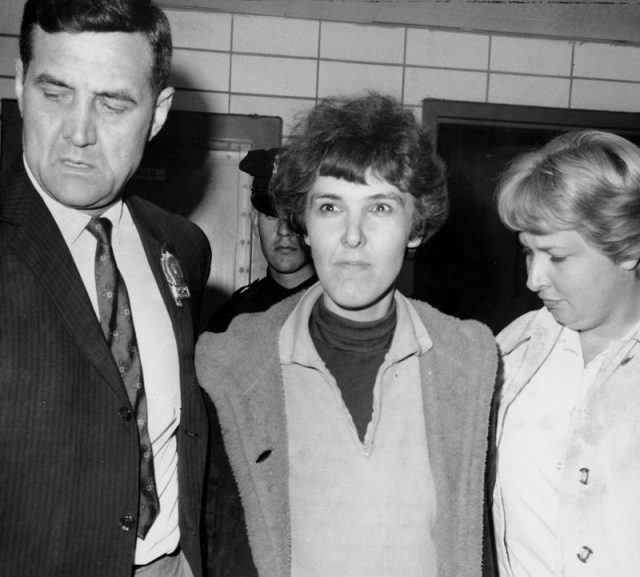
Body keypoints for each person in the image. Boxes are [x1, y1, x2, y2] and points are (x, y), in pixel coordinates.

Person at [196, 92, 497, 577]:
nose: (352, 236)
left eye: (379, 208)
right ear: (305, 223)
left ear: (415, 227)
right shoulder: (229, 363)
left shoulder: (469, 360)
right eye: (331, 207)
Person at [0, 0, 212, 575]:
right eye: (55, 92)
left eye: (113, 103)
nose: (78, 133)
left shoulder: (182, 246)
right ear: (19, 84)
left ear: (159, 112)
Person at [491, 130, 640, 577]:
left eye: (556, 256)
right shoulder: (512, 349)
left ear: (629, 249)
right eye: (527, 253)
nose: (534, 279)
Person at [207, 148, 316, 332]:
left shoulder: (343, 313)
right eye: (271, 216)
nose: (284, 231)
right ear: (255, 220)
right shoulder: (232, 318)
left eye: (293, 217)